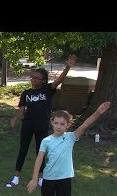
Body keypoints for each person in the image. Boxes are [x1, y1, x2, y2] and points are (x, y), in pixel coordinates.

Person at [27, 101, 111, 196]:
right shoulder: (46, 141)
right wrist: (35, 178)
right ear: (52, 123)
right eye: (56, 123)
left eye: (62, 124)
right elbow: (39, 159)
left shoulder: (71, 137)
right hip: (49, 178)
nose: (59, 126)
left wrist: (98, 112)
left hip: (64, 179)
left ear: (67, 125)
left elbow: (85, 125)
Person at [6, 54, 77, 188]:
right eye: (32, 77)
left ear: (43, 80)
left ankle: (41, 177)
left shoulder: (47, 90)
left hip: (42, 126)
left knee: (41, 151)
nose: (33, 80)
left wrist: (68, 67)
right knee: (23, 150)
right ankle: (16, 177)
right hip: (27, 125)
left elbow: (59, 80)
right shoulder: (26, 93)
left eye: (37, 78)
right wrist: (15, 118)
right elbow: (21, 109)